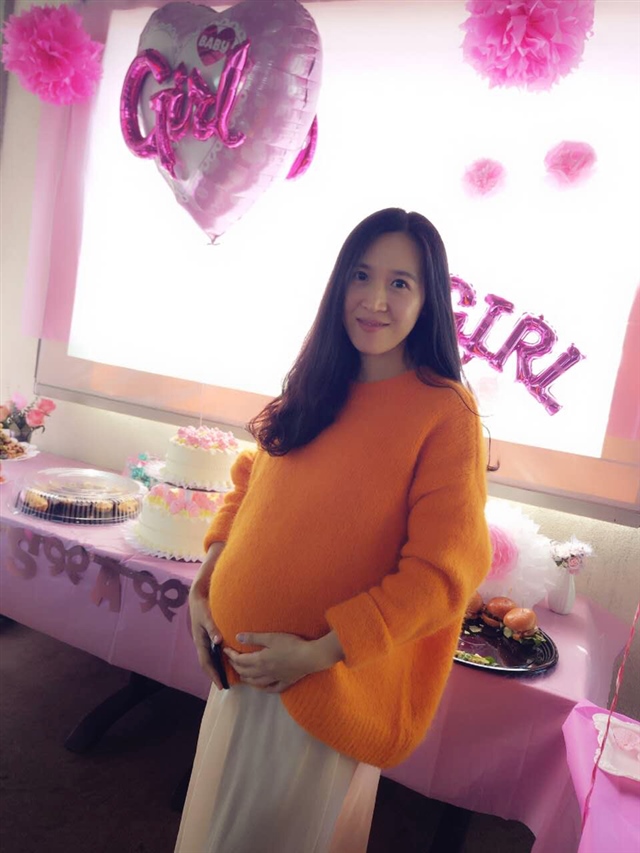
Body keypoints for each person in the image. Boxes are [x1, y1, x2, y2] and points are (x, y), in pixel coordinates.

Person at [176, 208, 492, 853]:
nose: (375, 300)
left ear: (429, 299)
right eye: (361, 276)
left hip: (319, 688)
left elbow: (441, 576)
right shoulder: (316, 383)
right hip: (240, 671)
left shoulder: (445, 413)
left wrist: (317, 653)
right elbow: (251, 482)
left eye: (400, 283)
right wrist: (206, 583)